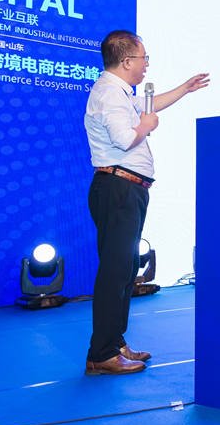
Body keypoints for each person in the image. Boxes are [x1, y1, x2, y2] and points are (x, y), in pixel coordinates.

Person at [83, 30, 209, 375]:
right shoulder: (110, 93)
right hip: (117, 189)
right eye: (144, 59)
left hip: (128, 189)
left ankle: (115, 341)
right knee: (115, 272)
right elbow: (124, 138)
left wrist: (184, 89)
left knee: (125, 270)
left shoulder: (121, 93)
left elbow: (149, 106)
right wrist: (147, 125)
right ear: (127, 61)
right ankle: (101, 353)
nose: (146, 65)